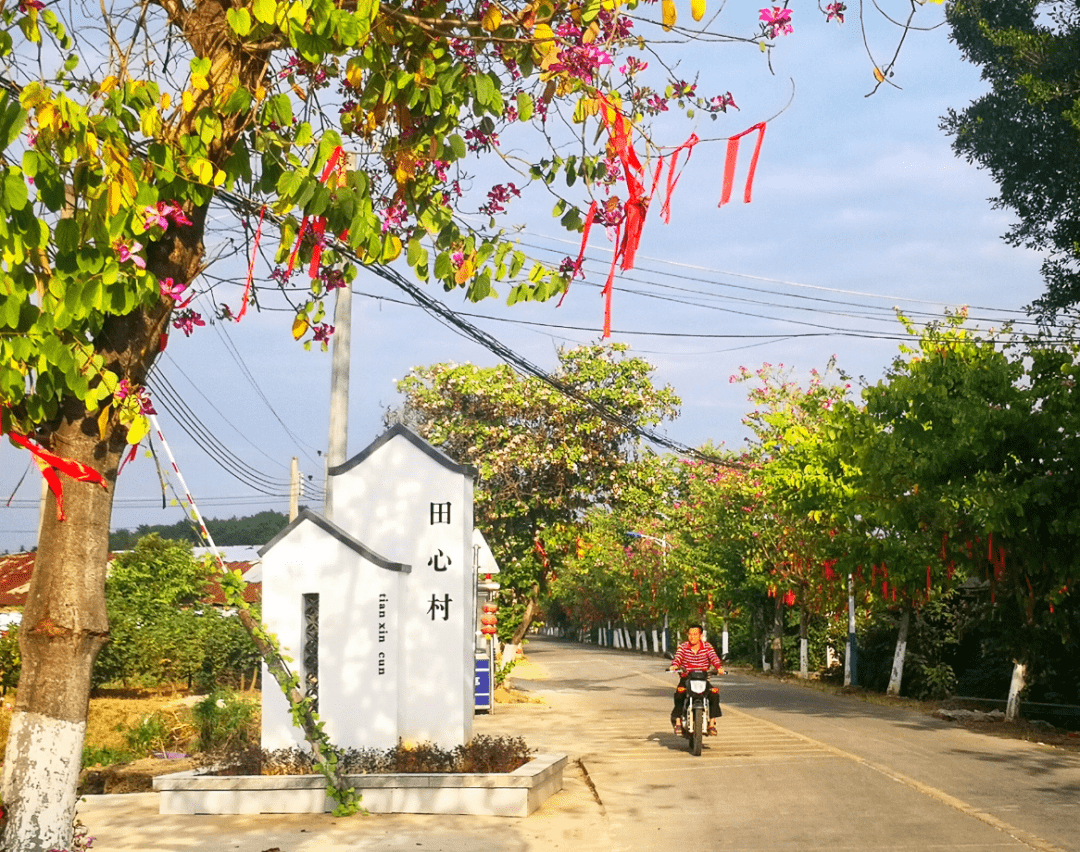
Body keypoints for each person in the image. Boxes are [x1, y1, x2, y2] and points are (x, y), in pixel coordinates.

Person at [670, 623, 724, 735]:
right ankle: (678, 723)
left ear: (700, 635)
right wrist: (675, 666)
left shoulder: (707, 647)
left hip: (703, 679)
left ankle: (712, 724)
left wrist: (719, 668)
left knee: (714, 694)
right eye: (690, 634)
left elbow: (714, 658)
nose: (692, 637)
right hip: (687, 679)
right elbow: (677, 658)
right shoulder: (683, 647)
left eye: (695, 634)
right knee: (679, 694)